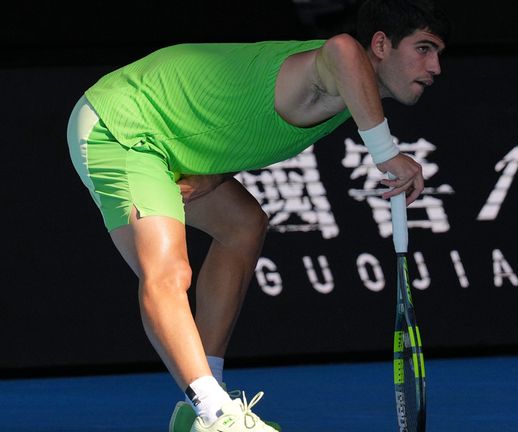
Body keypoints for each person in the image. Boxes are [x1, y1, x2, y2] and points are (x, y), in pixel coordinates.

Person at [66, 0, 450, 430]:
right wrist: (386, 153)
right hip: (123, 126)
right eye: (423, 48)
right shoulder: (337, 66)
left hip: (174, 141)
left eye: (438, 53)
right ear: (380, 44)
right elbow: (343, 48)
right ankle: (215, 412)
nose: (435, 66)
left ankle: (203, 405)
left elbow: (246, 114)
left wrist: (216, 173)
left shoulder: (345, 100)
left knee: (243, 224)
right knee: (169, 272)